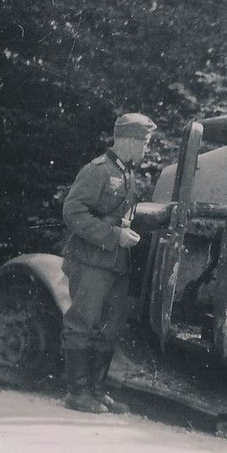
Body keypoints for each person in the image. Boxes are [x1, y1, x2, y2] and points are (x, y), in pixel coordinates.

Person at [60, 113, 155, 413]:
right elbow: (73, 212)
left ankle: (96, 390)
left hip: (115, 263)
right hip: (91, 260)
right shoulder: (98, 170)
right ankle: (77, 393)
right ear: (130, 140)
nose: (146, 149)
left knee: (109, 327)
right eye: (144, 143)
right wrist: (115, 236)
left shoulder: (127, 173)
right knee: (83, 322)